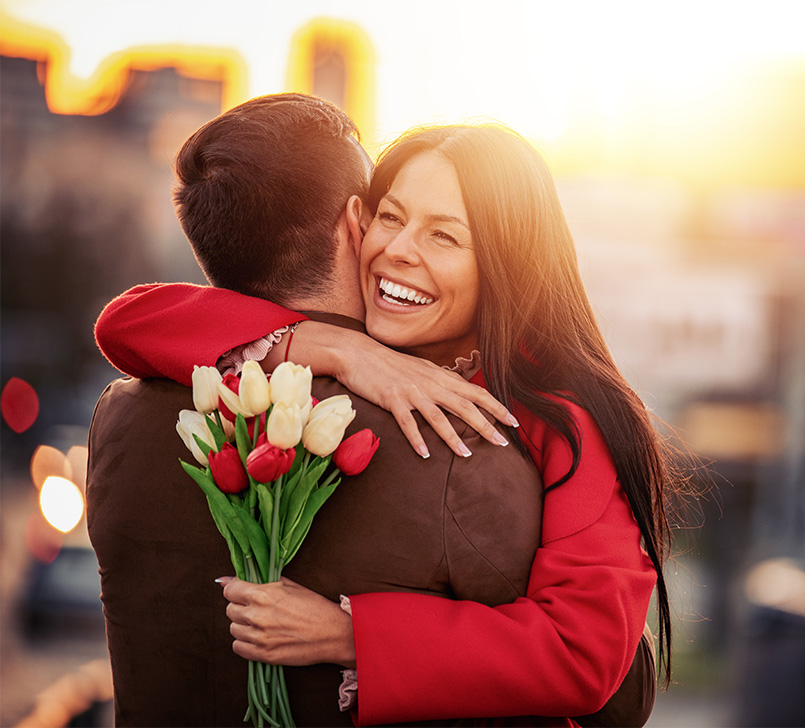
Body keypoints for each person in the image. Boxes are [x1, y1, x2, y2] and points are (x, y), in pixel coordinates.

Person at [87, 94, 652, 727]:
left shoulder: (565, 416)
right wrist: (335, 346)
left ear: (505, 261)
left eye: (444, 235)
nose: (398, 250)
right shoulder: (358, 348)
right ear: (359, 222)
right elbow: (130, 319)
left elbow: (589, 653)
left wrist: (351, 634)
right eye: (391, 216)